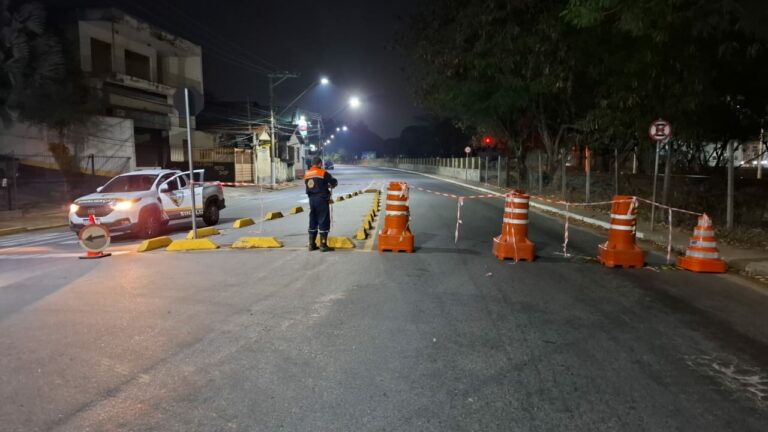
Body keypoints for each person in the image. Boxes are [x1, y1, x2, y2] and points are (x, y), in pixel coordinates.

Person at [305, 156, 338, 251]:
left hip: (311, 199)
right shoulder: (322, 172)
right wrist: (332, 184)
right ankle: (323, 245)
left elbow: (312, 185)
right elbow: (333, 182)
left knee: (313, 220)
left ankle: (311, 245)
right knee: (323, 220)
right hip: (322, 199)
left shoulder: (307, 174)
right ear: (319, 164)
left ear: (312, 164)